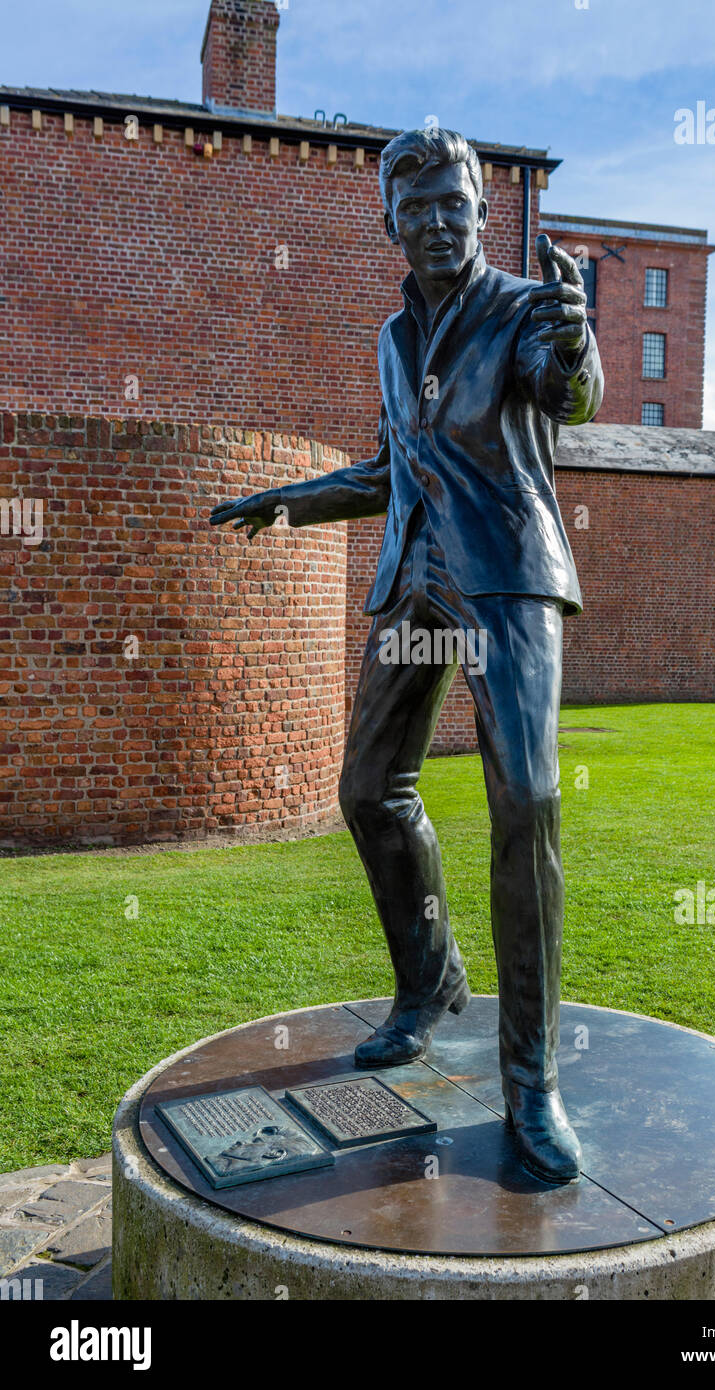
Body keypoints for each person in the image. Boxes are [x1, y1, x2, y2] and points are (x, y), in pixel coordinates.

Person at [210, 127, 603, 1183]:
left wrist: (575, 343)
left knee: (524, 797)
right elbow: (396, 466)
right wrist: (290, 499)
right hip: (415, 582)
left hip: (503, 577)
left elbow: (565, 388)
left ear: (480, 212)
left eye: (455, 204)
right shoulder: (392, 337)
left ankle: (531, 1083)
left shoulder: (523, 309)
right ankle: (428, 984)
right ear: (390, 219)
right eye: (416, 206)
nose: (437, 221)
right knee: (368, 790)